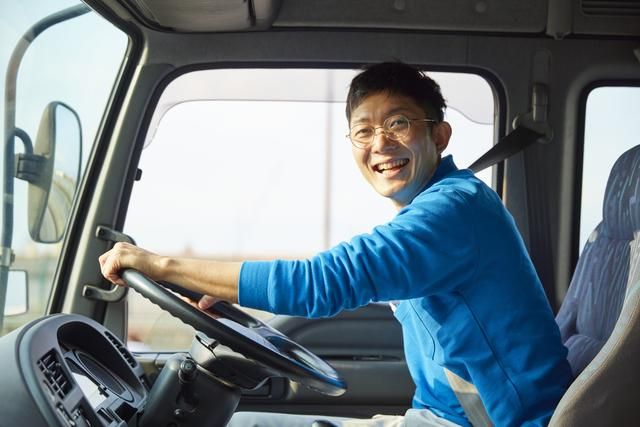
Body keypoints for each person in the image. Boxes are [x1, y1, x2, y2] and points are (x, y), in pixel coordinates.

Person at [100, 62, 572, 426]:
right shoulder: (440, 210)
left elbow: (322, 282)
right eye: (364, 131)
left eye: (399, 123)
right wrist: (220, 287)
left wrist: (161, 266)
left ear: (439, 135)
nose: (379, 143)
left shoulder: (455, 211)